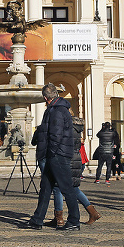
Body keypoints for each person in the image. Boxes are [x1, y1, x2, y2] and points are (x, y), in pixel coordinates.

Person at [23, 83, 79, 230]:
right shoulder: (56, 109)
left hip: (57, 155)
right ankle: (37, 219)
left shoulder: (57, 111)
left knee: (67, 188)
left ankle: (74, 220)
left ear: (45, 98)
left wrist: (52, 153)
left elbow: (55, 135)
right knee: (45, 188)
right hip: (54, 154)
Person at [47, 116, 100, 226]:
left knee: (57, 188)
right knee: (74, 188)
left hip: (66, 161)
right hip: (76, 161)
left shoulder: (67, 131)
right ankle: (92, 212)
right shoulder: (78, 131)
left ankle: (59, 218)